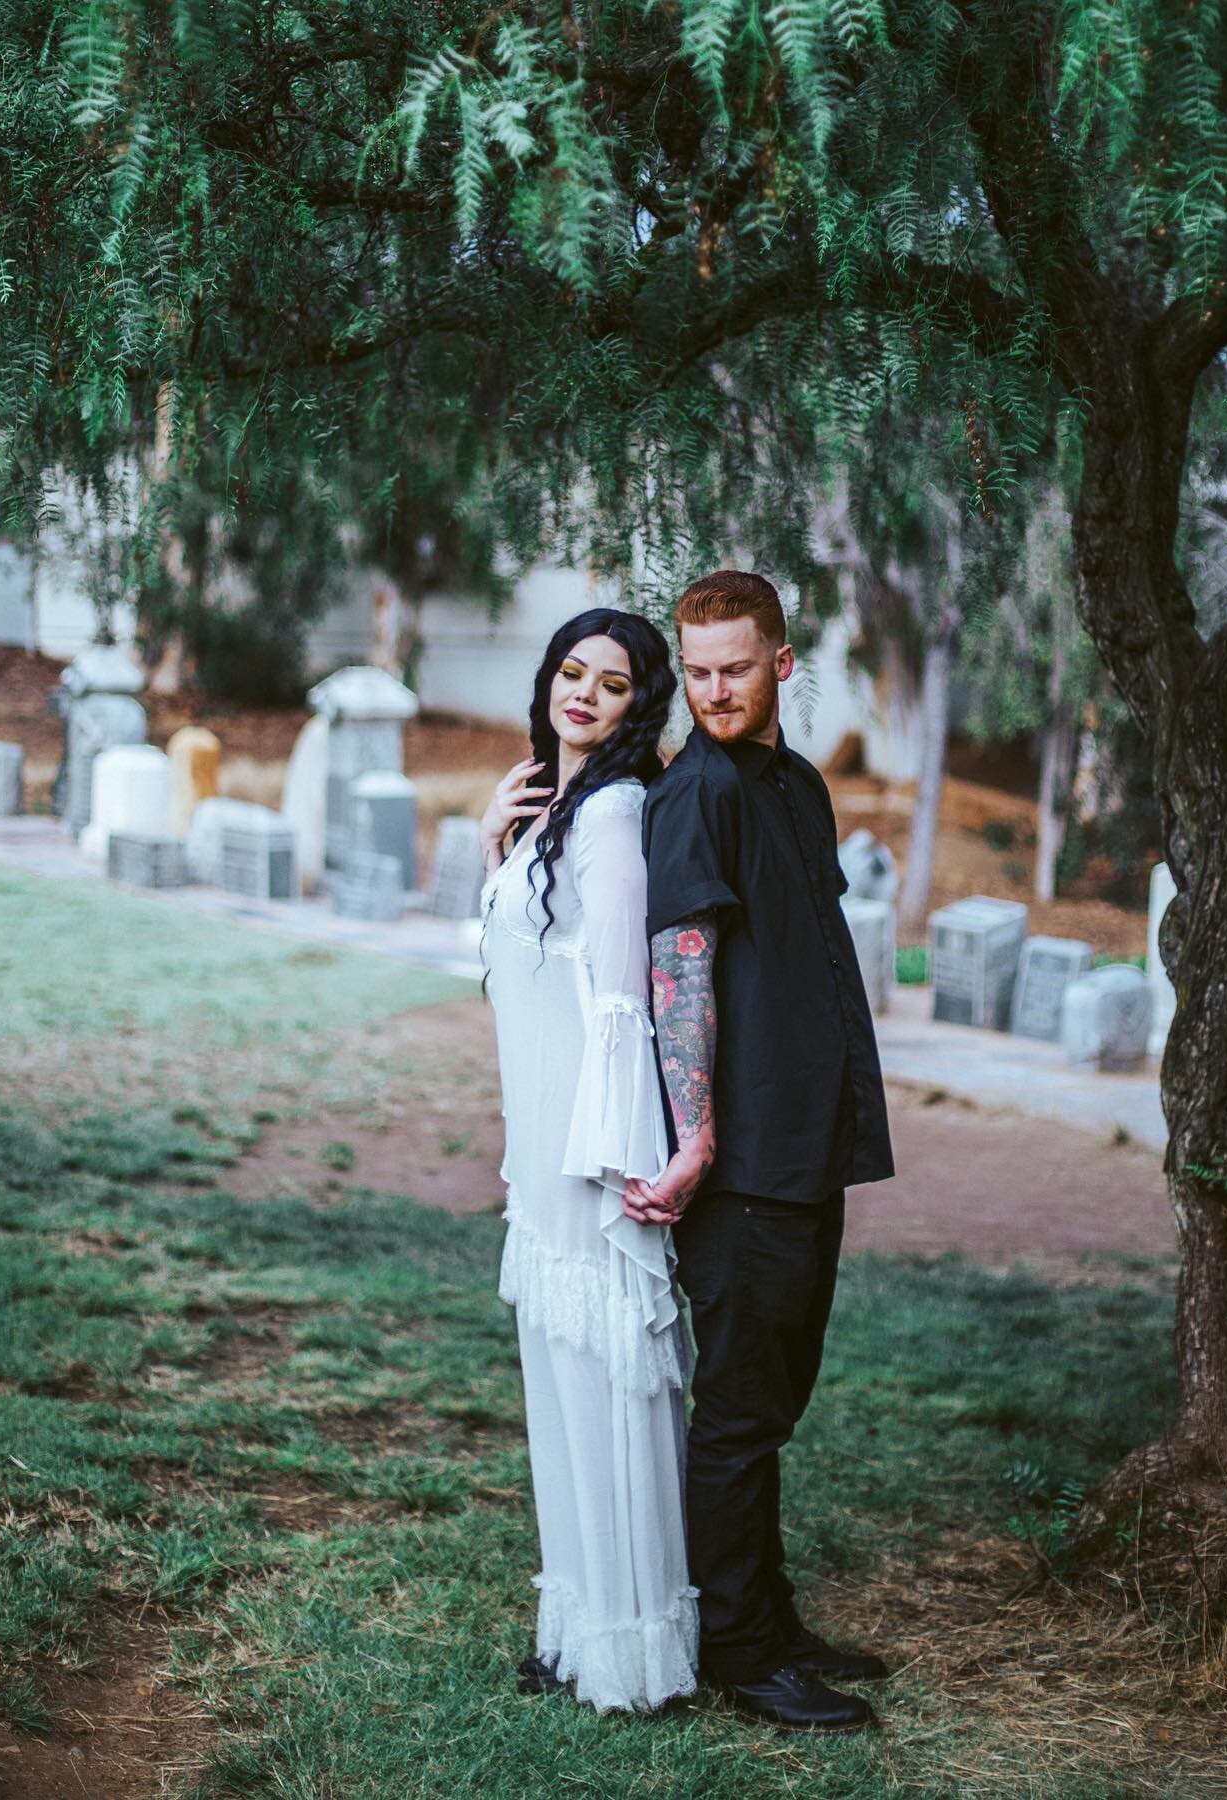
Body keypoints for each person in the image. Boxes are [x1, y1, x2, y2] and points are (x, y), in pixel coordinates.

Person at [626, 570, 897, 1734]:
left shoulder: (793, 782)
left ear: (782, 662)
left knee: (773, 1400)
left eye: (734, 667)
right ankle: (738, 1652)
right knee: (739, 1411)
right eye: (695, 671)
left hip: (806, 1146)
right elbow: (678, 968)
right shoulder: (696, 793)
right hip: (739, 1170)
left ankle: (771, 1618)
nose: (713, 690)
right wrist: (694, 1144)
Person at [478, 607, 698, 1714]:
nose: (584, 696)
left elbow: (622, 1002)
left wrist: (617, 1163)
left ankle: (625, 1646)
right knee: (557, 1399)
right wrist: (494, 842)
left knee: (603, 1391)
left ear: (635, 706)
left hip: (587, 1153)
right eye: (572, 672)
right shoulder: (544, 805)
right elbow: (504, 970)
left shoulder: (615, 816)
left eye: (611, 685)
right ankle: (572, 1628)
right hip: (538, 1148)